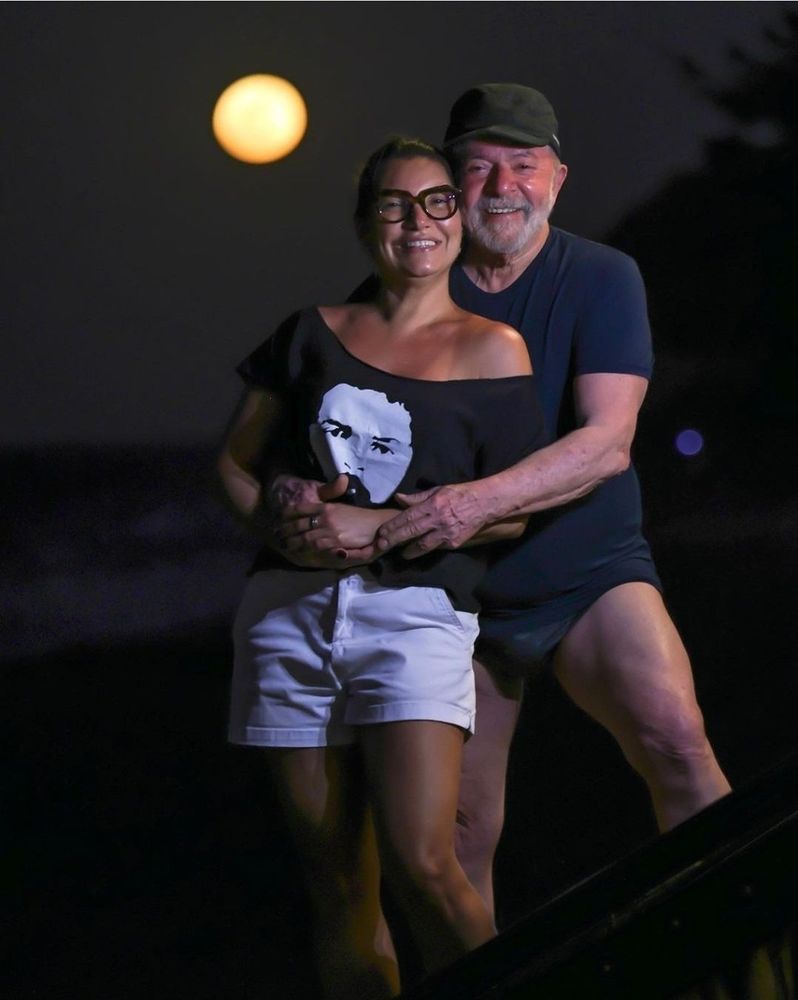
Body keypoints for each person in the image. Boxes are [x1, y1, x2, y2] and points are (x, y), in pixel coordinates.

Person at [272, 83, 732, 926]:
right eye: (477, 170)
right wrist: (296, 487)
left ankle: (743, 949)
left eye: (523, 166)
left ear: (557, 178)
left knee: (675, 736)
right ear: (444, 189)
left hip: (588, 571)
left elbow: (608, 443)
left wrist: (464, 505)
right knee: (462, 832)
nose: (502, 187)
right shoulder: (393, 296)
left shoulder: (601, 277)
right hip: (456, 598)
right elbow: (331, 440)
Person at [216, 136, 546, 998]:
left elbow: (516, 508)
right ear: (367, 223)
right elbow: (234, 464)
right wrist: (280, 522)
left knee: (427, 864)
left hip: (416, 618)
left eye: (437, 201)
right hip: (288, 616)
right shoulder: (311, 332)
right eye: (395, 204)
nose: (419, 221)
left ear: (459, 219)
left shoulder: (494, 349)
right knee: (337, 888)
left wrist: (412, 525)